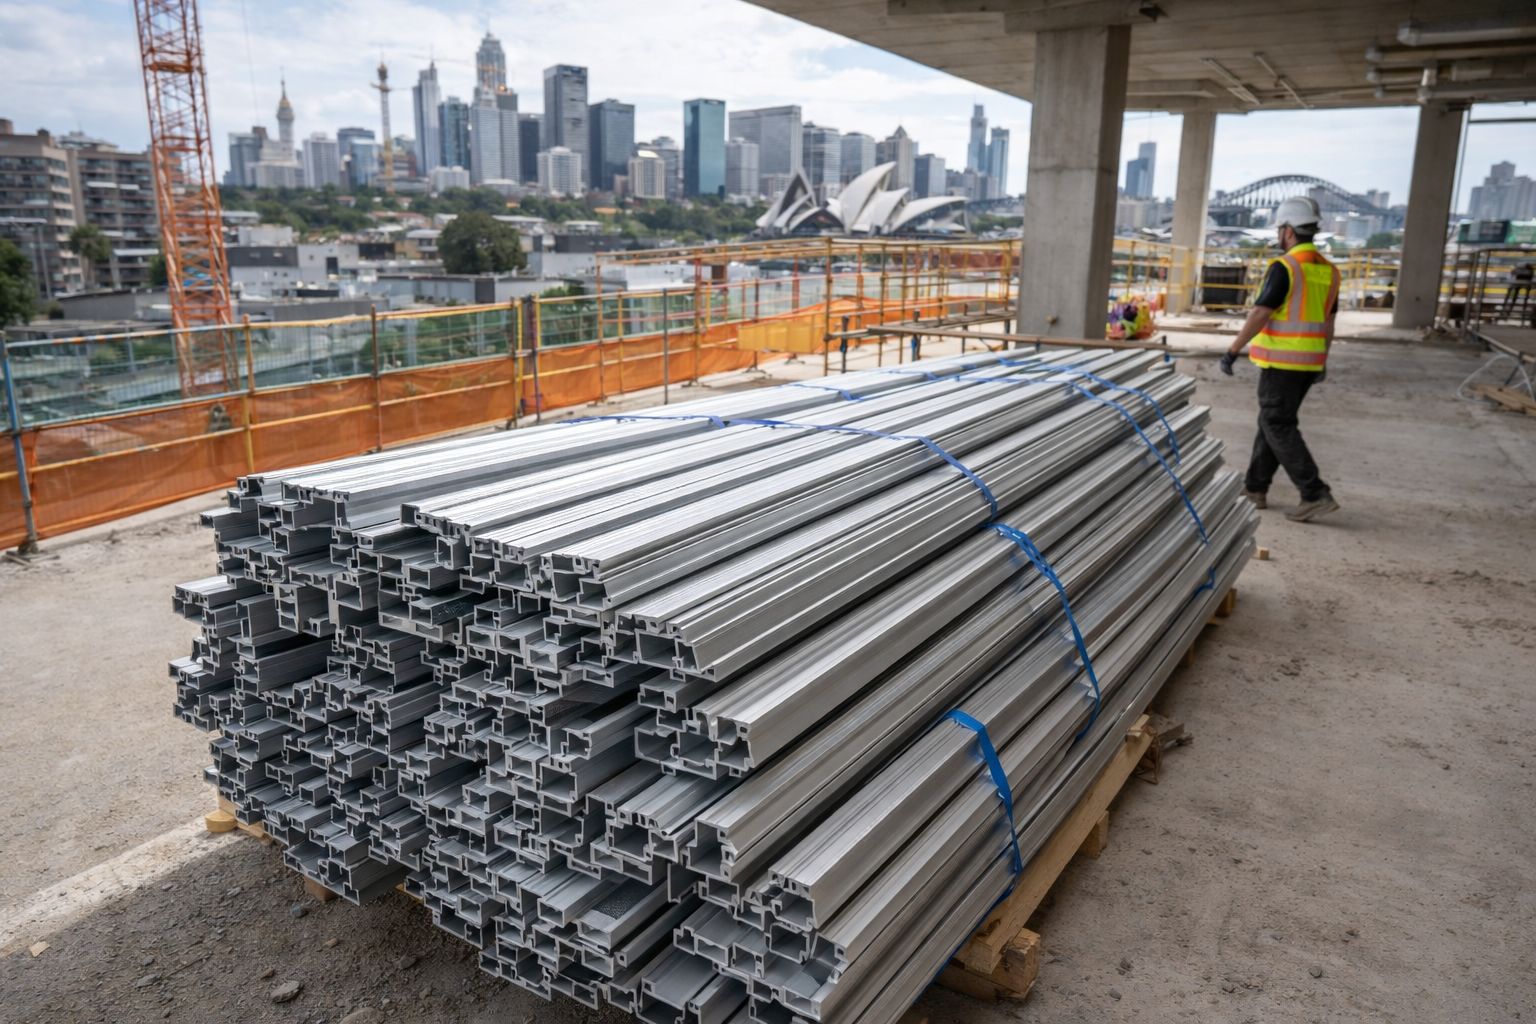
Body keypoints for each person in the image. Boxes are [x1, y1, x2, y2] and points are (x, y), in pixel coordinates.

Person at [1219, 196, 1339, 522]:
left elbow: (1261, 312)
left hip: (1282, 361)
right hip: (1308, 362)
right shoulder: (1328, 270)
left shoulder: (1286, 266)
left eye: (1279, 229)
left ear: (1288, 230)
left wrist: (1233, 350)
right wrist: (1322, 360)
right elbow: (1329, 322)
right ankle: (1255, 488)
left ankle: (1314, 492)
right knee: (1271, 422)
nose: (1278, 234)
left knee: (1277, 423)